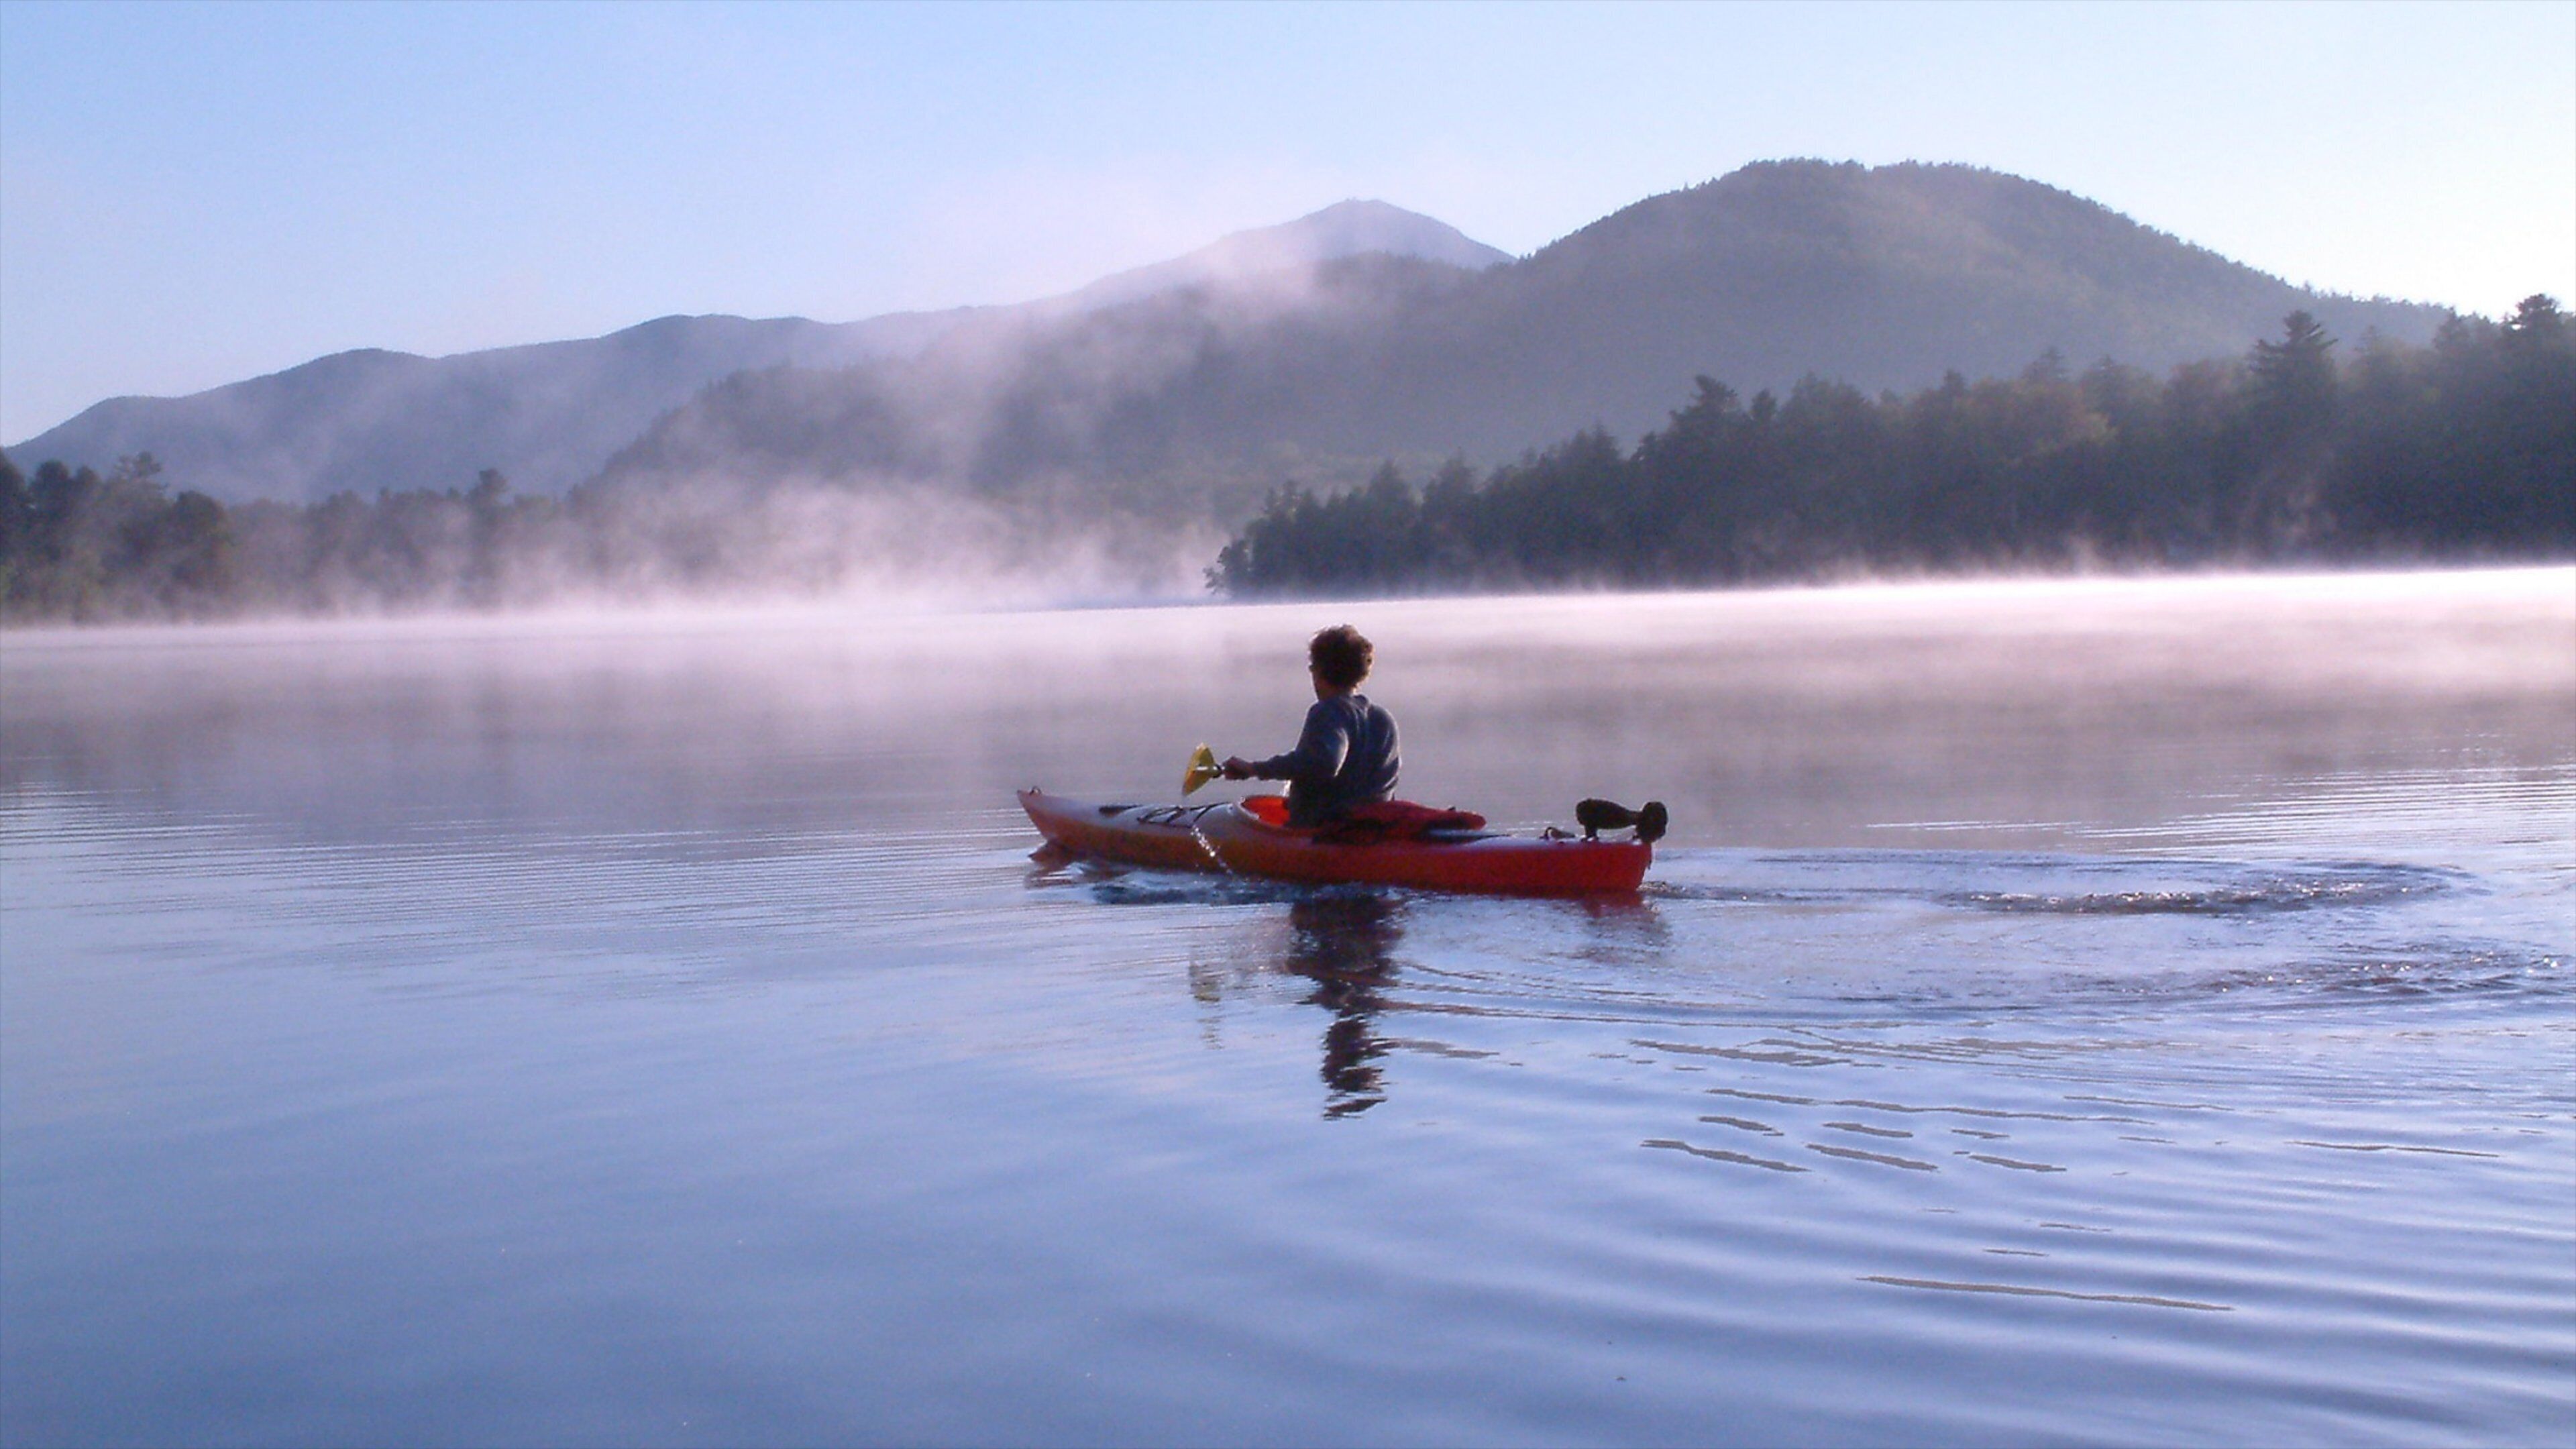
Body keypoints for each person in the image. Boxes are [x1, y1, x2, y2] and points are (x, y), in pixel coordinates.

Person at [1222, 625, 1400, 828]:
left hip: (1324, 833)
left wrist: (1254, 769)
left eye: (1312, 666)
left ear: (1319, 670)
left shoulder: (1329, 711)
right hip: (1374, 832)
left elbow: (1323, 763)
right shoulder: (1384, 719)